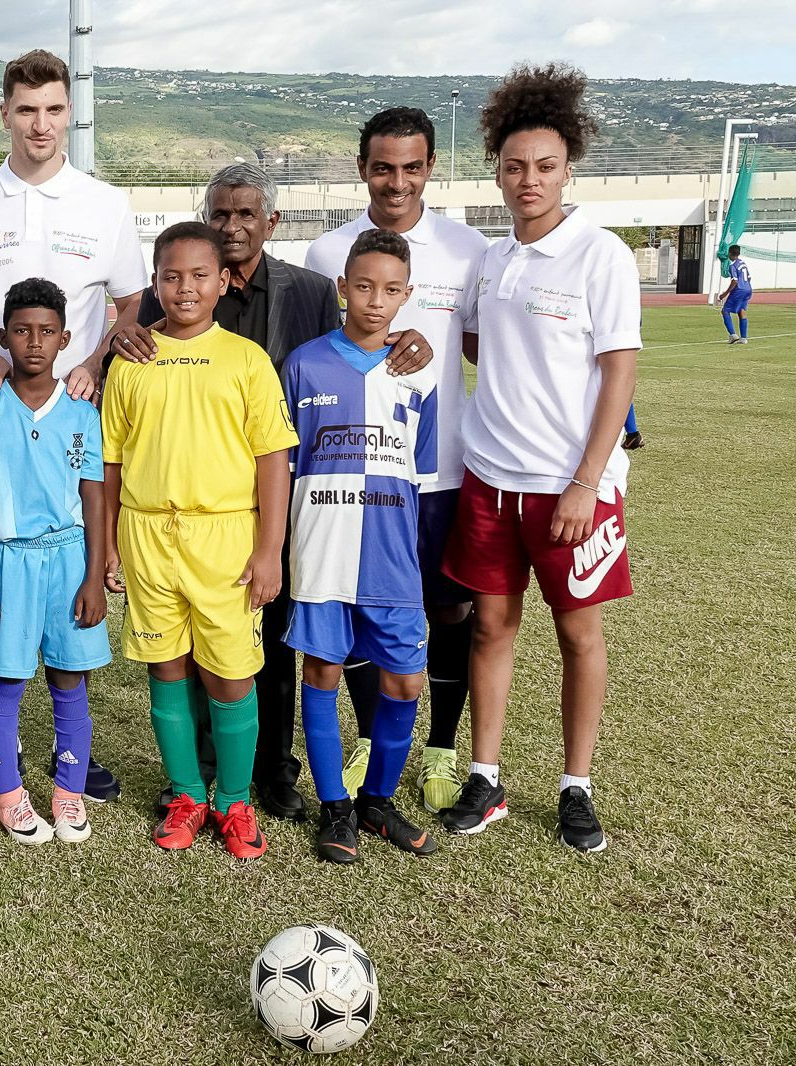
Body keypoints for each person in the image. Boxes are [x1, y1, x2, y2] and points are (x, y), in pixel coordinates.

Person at [125, 163, 434, 824]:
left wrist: (412, 341)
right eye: (220, 214)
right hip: (201, 506)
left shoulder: (315, 290)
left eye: (245, 214)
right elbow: (136, 355)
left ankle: (272, 770)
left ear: (272, 223)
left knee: (272, 643)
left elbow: (355, 348)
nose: (232, 226)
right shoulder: (174, 295)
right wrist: (112, 335)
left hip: (290, 505)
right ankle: (198, 772)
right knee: (199, 646)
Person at [0, 49, 146, 804]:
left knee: (62, 621)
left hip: (68, 416)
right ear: (5, 115)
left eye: (55, 109)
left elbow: (129, 303)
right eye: (27, 110)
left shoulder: (103, 202)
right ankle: (2, 763)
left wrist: (89, 361)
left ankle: (71, 762)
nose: (42, 124)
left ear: (70, 113)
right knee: (0, 601)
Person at [440, 64, 640, 854]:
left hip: (571, 488)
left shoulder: (601, 256)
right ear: (496, 168)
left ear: (569, 168)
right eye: (515, 166)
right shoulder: (491, 260)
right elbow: (480, 343)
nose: (529, 181)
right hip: (491, 480)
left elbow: (619, 372)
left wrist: (587, 481)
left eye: (545, 166)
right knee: (491, 626)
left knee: (578, 634)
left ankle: (575, 787)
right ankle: (485, 780)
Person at [303, 108, 488, 814]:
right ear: (362, 169)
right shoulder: (328, 253)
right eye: (384, 167)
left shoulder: (467, 248)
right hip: (353, 478)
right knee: (350, 603)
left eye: (412, 167)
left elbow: (482, 351)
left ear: (431, 168)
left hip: (439, 468)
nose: (398, 181)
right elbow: (333, 357)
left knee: (445, 610)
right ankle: (366, 741)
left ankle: (440, 744)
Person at [101, 221, 298, 859]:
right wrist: (107, 546)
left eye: (198, 276)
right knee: (167, 667)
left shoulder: (245, 360)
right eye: (171, 276)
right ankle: (186, 793)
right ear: (155, 283)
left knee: (231, 673)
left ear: (222, 283)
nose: (185, 288)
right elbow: (111, 464)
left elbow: (274, 459)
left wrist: (269, 551)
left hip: (226, 538)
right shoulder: (133, 361)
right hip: (148, 531)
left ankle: (235, 801)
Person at [284, 229, 440, 863]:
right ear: (343, 288)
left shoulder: (418, 375)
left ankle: (377, 800)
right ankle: (335, 808)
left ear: (407, 296)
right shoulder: (303, 363)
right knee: (321, 671)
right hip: (321, 549)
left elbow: (420, 480)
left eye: (391, 290)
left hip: (390, 558)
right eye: (364, 286)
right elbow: (286, 464)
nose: (376, 301)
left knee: (405, 681)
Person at [0, 278, 110, 845]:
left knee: (70, 682)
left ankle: (68, 793)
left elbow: (94, 493)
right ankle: (10, 794)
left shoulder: (82, 415)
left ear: (65, 339)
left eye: (46, 332)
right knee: (6, 683)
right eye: (22, 331)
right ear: (3, 337)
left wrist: (94, 573)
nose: (34, 343)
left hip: (67, 561)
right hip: (7, 561)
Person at [716, 245, 753, 344]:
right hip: (748, 289)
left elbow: (735, 281)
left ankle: (733, 335)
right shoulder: (743, 263)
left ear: (730, 253)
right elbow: (749, 278)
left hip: (739, 290)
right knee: (742, 311)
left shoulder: (733, 265)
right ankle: (743, 338)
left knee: (725, 311)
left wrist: (725, 294)